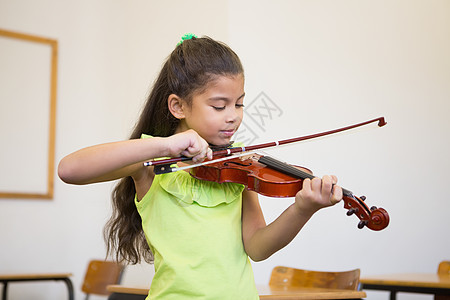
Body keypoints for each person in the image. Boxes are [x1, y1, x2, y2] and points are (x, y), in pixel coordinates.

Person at [58, 34, 343, 300]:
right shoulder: (152, 165)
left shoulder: (237, 167)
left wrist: (302, 209)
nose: (233, 117)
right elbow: (70, 170)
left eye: (240, 104)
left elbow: (257, 247)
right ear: (178, 107)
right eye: (219, 106)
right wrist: (164, 145)